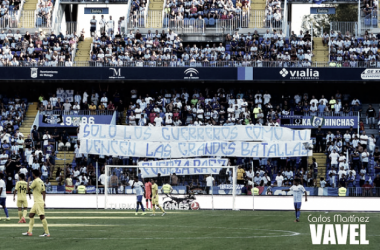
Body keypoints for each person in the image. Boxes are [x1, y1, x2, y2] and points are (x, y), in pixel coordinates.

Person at [22, 170, 50, 237]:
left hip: (38, 202)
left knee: (42, 216)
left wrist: (28, 181)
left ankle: (47, 233)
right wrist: (43, 201)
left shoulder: (35, 181)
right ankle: (29, 232)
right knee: (31, 215)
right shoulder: (41, 181)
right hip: (38, 201)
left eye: (32, 173)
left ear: (34, 174)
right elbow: (44, 192)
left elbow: (28, 188)